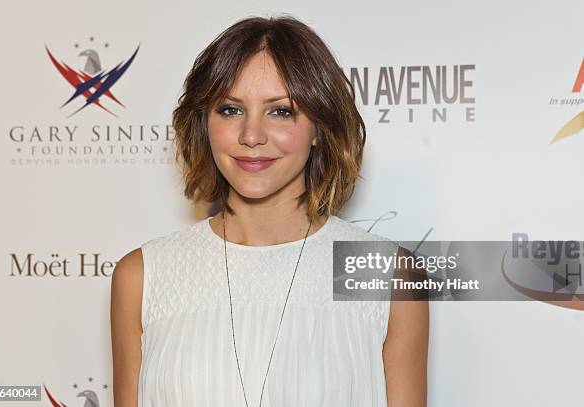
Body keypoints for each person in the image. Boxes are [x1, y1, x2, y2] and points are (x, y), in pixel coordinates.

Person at [111, 14, 428, 407]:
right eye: (230, 109)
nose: (251, 135)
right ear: (203, 123)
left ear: (318, 128)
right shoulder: (142, 277)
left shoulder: (388, 276)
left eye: (280, 111)